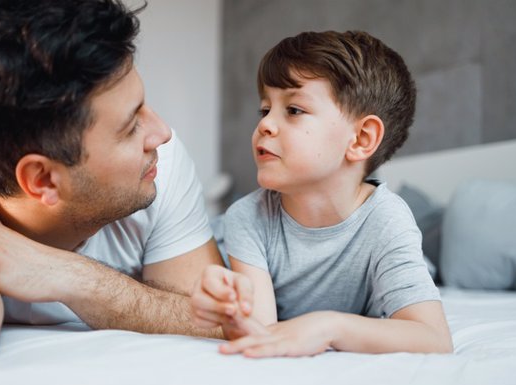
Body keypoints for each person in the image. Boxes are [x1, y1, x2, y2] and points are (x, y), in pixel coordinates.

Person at [0, 0, 223, 378]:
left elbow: (221, 322)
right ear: (43, 180)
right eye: (130, 126)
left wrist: (67, 276)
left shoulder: (155, 163)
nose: (162, 134)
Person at [191, 30, 453, 357]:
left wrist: (329, 327)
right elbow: (262, 334)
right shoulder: (247, 217)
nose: (265, 125)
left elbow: (435, 340)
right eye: (264, 110)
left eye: (294, 110)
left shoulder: (387, 220)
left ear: (360, 139)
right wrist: (231, 314)